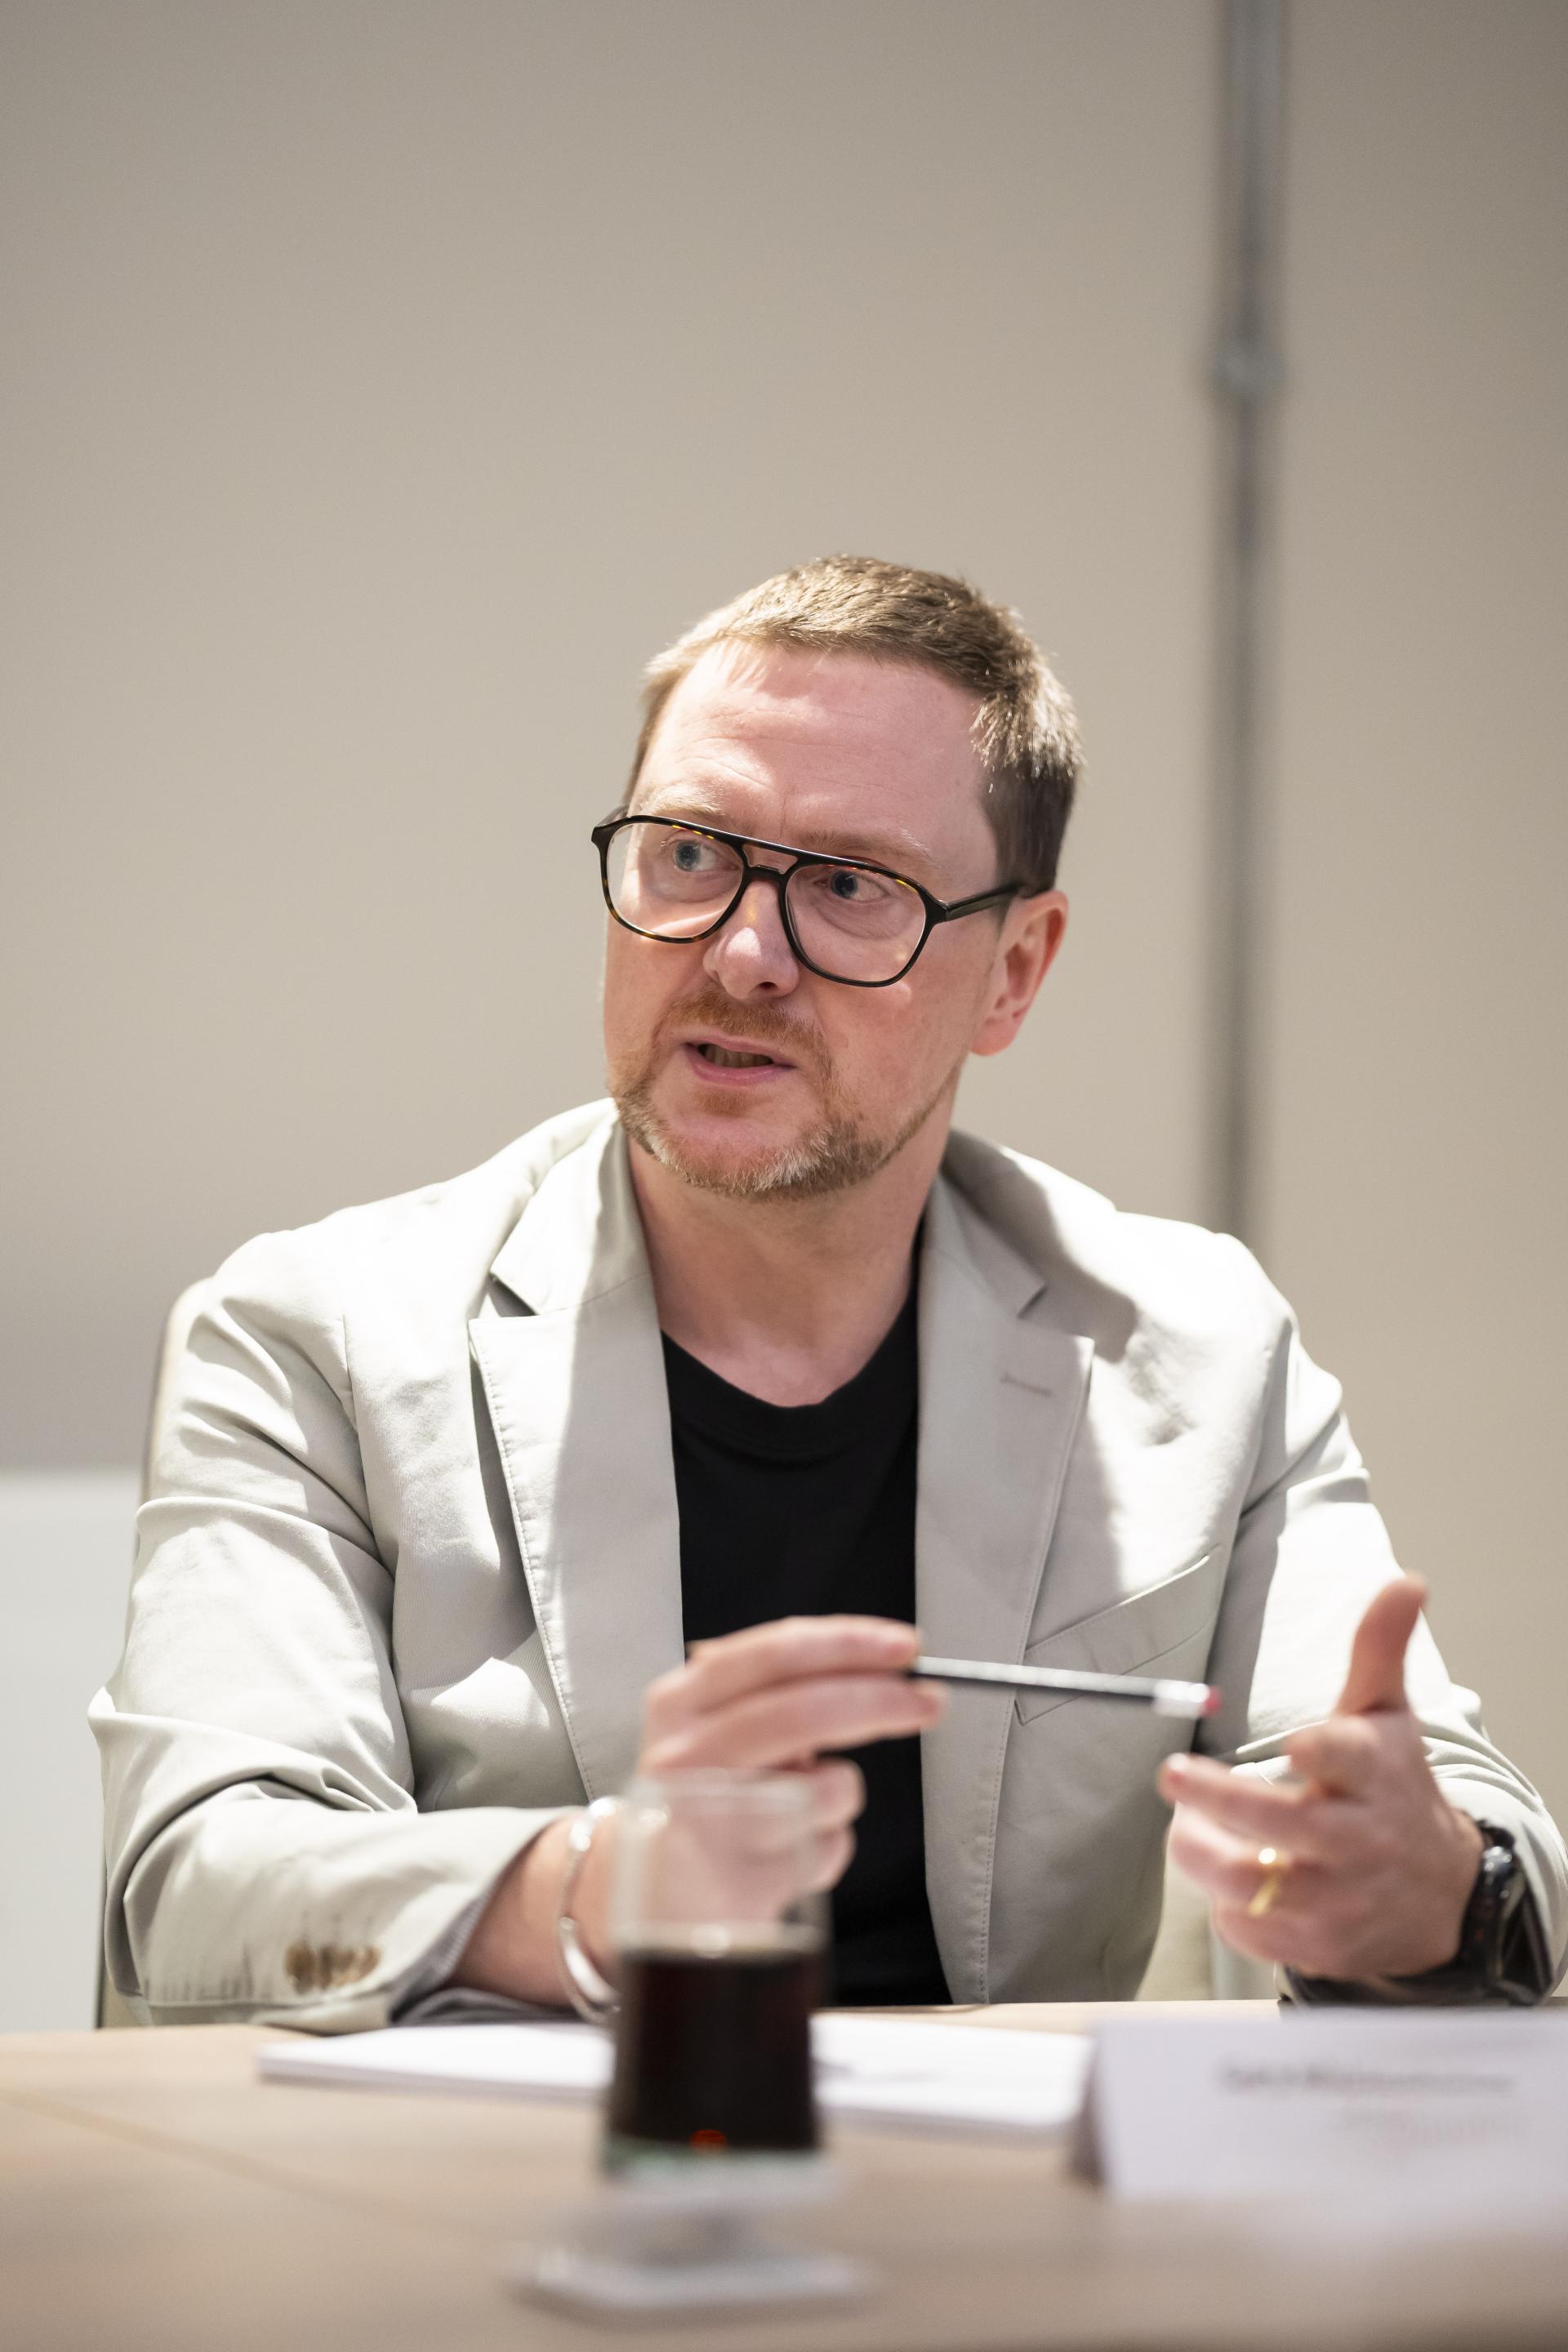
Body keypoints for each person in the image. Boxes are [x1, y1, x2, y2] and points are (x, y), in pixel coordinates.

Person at [92, 555, 1563, 2028]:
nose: (742, 954)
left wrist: (1431, 1881)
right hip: (494, 2215)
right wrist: (595, 1891)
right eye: (687, 855)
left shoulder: (1192, 1347)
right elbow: (200, 1895)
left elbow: (1474, 1829)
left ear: (1014, 973)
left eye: (853, 887)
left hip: (1019, 2229)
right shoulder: (312, 1341)